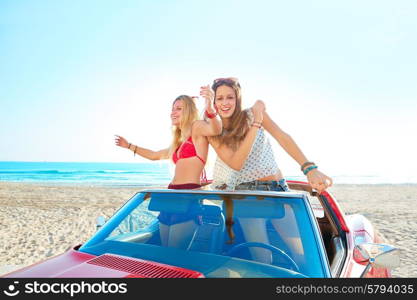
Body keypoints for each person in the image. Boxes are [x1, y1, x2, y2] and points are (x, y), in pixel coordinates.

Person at [208, 77, 333, 264]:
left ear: (238, 98)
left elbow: (282, 137)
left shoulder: (253, 113)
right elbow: (236, 164)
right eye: (219, 98)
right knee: (262, 257)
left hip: (279, 190)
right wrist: (255, 123)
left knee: (302, 253)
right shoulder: (215, 130)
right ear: (214, 101)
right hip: (247, 195)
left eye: (230, 97)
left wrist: (309, 168)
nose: (225, 103)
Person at [115, 88, 221, 249]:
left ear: (189, 111)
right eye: (172, 109)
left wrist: (210, 107)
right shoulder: (178, 143)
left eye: (179, 108)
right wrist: (128, 146)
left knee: (175, 253)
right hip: (170, 195)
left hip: (188, 198)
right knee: (165, 249)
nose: (173, 112)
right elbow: (154, 155)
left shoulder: (197, 129)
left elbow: (215, 129)